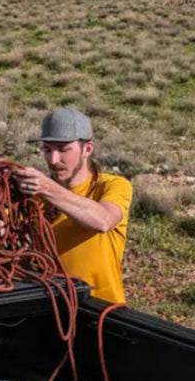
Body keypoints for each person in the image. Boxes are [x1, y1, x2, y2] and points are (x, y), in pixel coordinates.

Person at [14, 106, 133, 304]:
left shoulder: (112, 186)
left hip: (100, 309)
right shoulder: (35, 194)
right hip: (49, 306)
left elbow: (103, 220)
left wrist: (47, 188)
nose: (53, 160)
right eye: (47, 149)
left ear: (87, 149)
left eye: (62, 150)